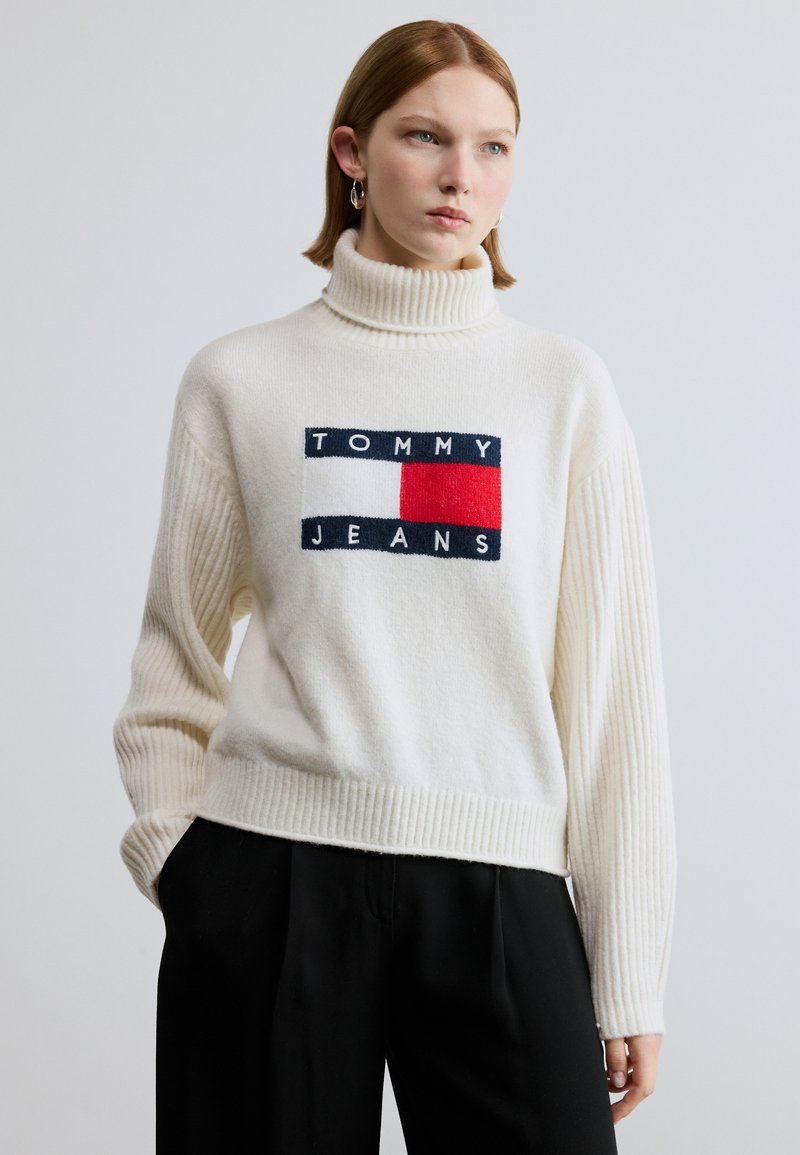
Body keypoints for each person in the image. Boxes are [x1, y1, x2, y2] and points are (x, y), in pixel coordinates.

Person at [112, 18, 677, 1155]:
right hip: (271, 883)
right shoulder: (241, 379)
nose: (462, 175)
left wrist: (627, 969)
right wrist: (188, 868)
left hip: (499, 888)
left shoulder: (561, 390)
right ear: (352, 152)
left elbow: (612, 692)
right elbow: (177, 654)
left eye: (493, 147)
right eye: (425, 137)